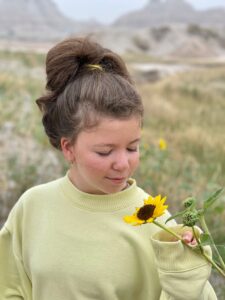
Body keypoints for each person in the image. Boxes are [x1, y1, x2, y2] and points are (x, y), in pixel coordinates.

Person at [0, 37, 217, 300]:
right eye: (105, 151)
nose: (123, 164)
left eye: (132, 148)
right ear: (68, 147)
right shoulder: (32, 206)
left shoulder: (155, 221)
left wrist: (187, 273)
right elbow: (9, 288)